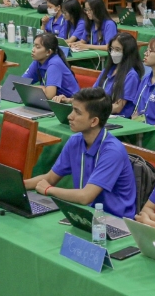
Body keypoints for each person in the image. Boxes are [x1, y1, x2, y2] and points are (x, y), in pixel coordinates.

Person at [24, 87, 136, 218]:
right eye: (72, 109)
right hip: (84, 213)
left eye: (77, 112)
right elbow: (50, 178)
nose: (69, 116)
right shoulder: (75, 141)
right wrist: (18, 185)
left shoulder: (112, 152)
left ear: (94, 121)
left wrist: (49, 190)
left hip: (114, 220)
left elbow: (85, 197)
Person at [55, 32, 142, 117]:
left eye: (117, 50)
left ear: (128, 52)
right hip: (100, 114)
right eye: (111, 49)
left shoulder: (131, 76)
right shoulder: (107, 71)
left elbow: (117, 107)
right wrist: (67, 100)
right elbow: (91, 97)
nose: (113, 53)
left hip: (117, 119)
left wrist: (89, 108)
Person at [22, 32, 79, 99]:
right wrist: (41, 88)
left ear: (48, 52)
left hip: (70, 102)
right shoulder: (38, 61)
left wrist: (40, 88)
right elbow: (21, 82)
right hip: (55, 100)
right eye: (33, 45)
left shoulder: (54, 64)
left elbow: (49, 95)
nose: (33, 50)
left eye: (37, 47)